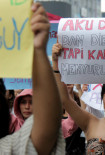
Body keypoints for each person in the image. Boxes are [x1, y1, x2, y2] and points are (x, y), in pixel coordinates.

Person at [0, 3, 65, 154]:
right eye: (24, 102)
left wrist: (38, 50)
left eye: (31, 101)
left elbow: (47, 126)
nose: (28, 106)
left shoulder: (8, 148)